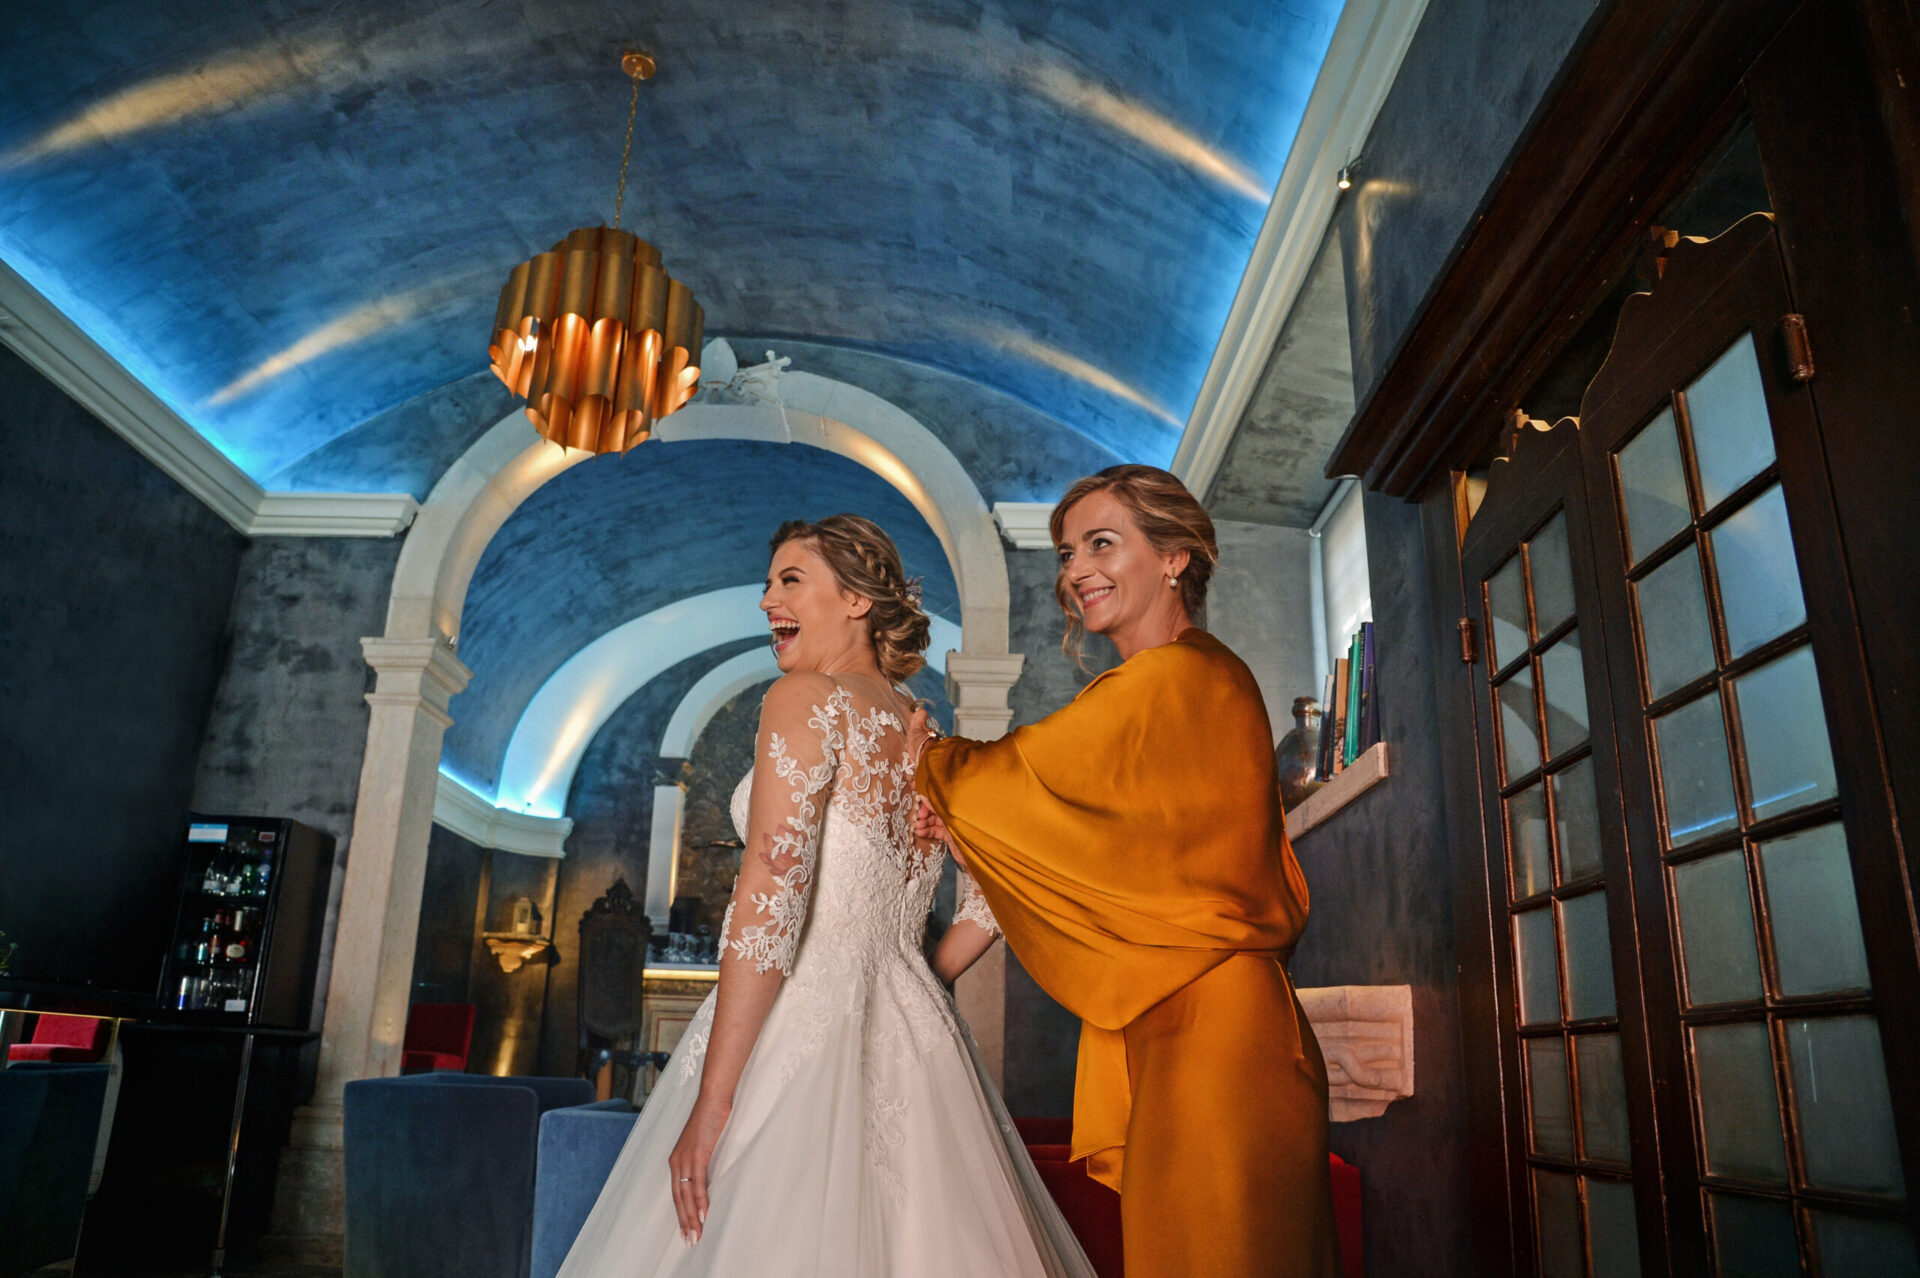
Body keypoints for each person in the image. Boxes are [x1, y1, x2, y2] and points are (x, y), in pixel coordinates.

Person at [555, 514, 1094, 1278]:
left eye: (790, 580)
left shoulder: (807, 698)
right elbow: (998, 894)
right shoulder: (925, 736)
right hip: (919, 1035)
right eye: (768, 582)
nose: (766, 599)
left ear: (857, 600)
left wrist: (714, 1100)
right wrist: (914, 981)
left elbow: (771, 899)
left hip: (797, 1023)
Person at [912, 465, 1340, 1278]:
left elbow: (1026, 775)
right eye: (1068, 552)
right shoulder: (1188, 677)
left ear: (1175, 557)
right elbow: (1113, 856)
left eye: (1102, 544)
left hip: (1216, 1036)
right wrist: (971, 835)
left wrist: (927, 756)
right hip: (1192, 1022)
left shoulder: (1177, 676)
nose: (1077, 569)